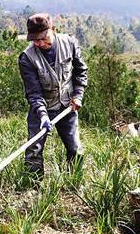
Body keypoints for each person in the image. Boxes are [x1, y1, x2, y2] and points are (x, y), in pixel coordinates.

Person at [18, 13, 88, 178]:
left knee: (75, 149)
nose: (41, 43)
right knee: (34, 150)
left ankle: (74, 182)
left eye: (44, 38)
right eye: (36, 40)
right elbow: (33, 92)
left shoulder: (69, 43)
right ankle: (32, 186)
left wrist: (78, 95)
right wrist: (43, 115)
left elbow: (81, 71)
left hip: (67, 105)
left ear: (52, 30)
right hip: (41, 108)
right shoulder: (27, 58)